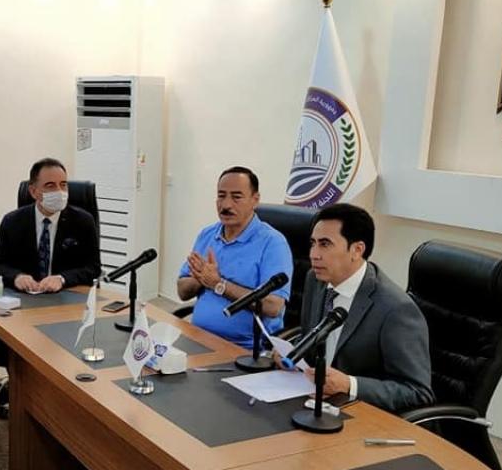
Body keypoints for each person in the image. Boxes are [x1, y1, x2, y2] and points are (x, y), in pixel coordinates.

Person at [296, 203, 434, 413]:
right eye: (312, 243)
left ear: (357, 250)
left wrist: (349, 385)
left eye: (325, 244)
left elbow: (417, 392)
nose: (314, 254)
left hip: (362, 413)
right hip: (314, 399)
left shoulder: (396, 309)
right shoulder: (316, 281)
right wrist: (292, 353)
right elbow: (314, 337)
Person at [177, 166, 293, 350]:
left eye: (236, 197)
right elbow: (182, 291)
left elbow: (273, 307)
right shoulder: (207, 235)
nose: (226, 205)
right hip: (198, 338)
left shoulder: (273, 243)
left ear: (255, 200)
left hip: (245, 349)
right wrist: (201, 279)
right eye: (221, 196)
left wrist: (219, 284)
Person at [0, 157, 100, 292]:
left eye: (63, 185)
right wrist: (17, 277)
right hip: (26, 296)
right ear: (33, 191)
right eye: (50, 186)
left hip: (67, 295)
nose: (59, 191)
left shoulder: (83, 221)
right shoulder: (12, 222)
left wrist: (62, 279)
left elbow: (93, 268)